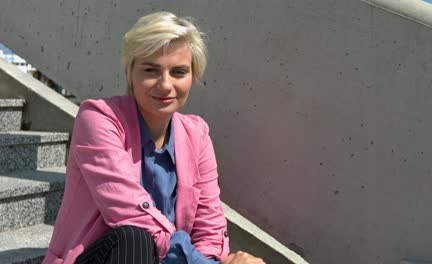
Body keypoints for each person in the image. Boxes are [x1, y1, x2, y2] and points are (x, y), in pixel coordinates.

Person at [43, 11, 265, 264]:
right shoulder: (98, 118)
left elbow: (210, 225)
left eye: (179, 72)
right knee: (134, 238)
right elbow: (130, 213)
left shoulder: (197, 134)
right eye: (151, 70)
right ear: (130, 73)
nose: (165, 85)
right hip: (107, 256)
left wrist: (212, 259)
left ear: (193, 76)